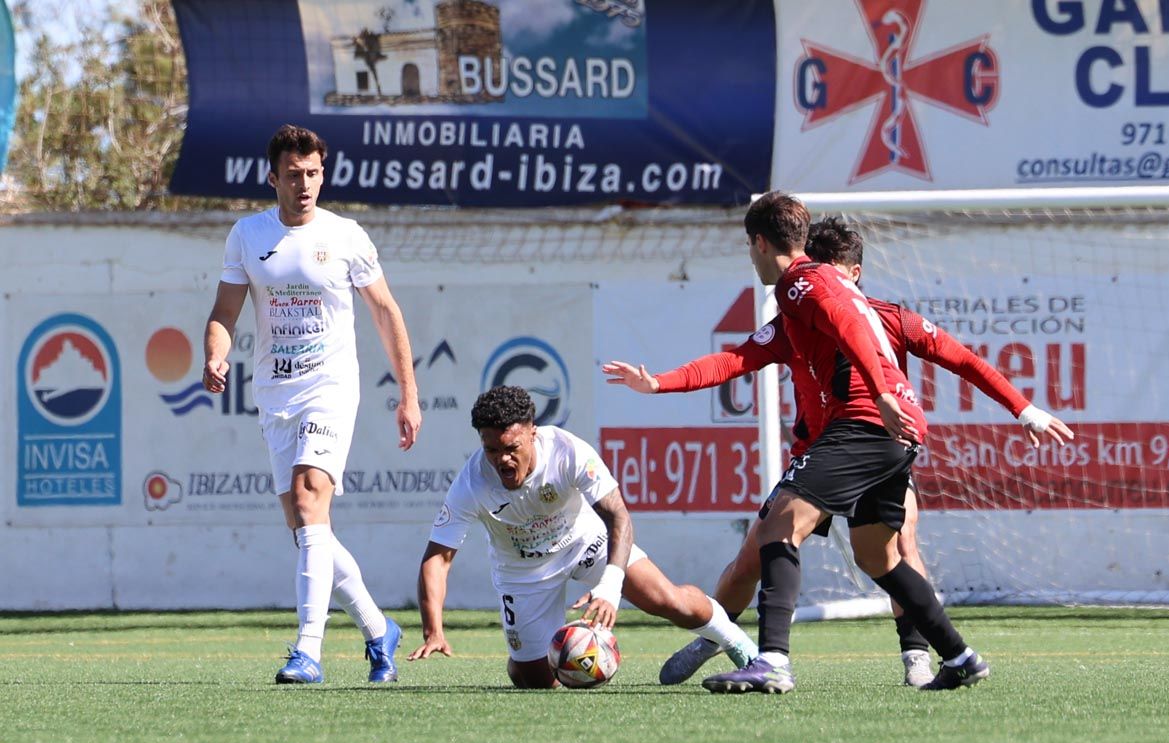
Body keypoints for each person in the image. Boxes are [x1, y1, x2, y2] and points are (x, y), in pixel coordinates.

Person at [604, 216, 1074, 688]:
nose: (829, 281)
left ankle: (809, 660)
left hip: (866, 433)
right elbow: (736, 359)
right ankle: (959, 657)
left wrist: (1023, 409)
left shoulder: (843, 301)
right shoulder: (796, 319)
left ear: (852, 274)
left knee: (805, 532)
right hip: (844, 442)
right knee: (863, 556)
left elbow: (959, 358)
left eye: (838, 273)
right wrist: (660, 382)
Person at [202, 124, 422, 684]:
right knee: (308, 528)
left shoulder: (346, 235)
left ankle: (308, 649)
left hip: (330, 388)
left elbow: (385, 312)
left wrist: (408, 393)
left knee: (307, 499)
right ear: (272, 177)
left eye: (314, 174)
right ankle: (379, 630)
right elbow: (224, 314)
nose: (305, 185)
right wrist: (214, 356)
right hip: (276, 396)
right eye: (294, 174)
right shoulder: (247, 235)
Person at [406, 385, 758, 689]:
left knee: (668, 600)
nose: (503, 459)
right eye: (492, 450)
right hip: (523, 570)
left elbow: (618, 516)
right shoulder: (472, 483)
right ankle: (531, 655)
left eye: (512, 447)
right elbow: (437, 558)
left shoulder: (568, 451)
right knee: (534, 679)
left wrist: (608, 587)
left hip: (585, 542)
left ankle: (732, 640)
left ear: (533, 432)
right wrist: (433, 630)